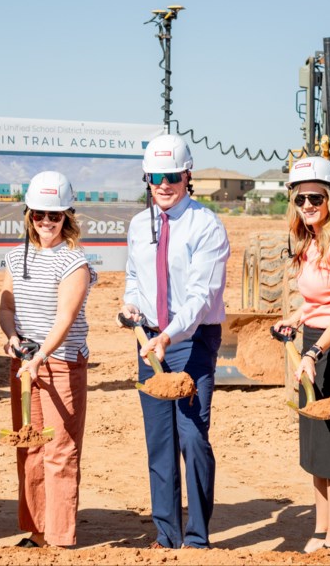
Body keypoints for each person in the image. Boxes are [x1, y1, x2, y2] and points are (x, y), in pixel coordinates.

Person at [120, 133, 230, 549]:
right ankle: (167, 535)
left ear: (188, 176)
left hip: (192, 339)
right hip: (148, 340)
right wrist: (132, 307)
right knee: (159, 440)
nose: (163, 185)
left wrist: (167, 336)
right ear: (146, 179)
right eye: (154, 177)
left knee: (192, 435)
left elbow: (201, 299)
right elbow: (134, 277)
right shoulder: (137, 224)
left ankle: (198, 537)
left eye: (172, 176)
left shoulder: (206, 225)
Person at [0, 171, 97, 548]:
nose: (46, 223)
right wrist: (11, 338)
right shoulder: (15, 255)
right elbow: (7, 306)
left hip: (61, 363)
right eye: (39, 215)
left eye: (54, 216)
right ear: (29, 214)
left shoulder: (75, 261)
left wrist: (40, 356)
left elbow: (64, 318)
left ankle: (60, 536)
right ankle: (37, 531)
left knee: (60, 450)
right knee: (30, 446)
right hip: (24, 363)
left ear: (67, 217)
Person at [273, 155, 330, 552]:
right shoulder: (312, 239)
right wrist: (296, 318)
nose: (307, 205)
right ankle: (321, 530)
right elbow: (319, 300)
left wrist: (312, 352)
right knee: (316, 446)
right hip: (316, 340)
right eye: (300, 198)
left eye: (315, 197)